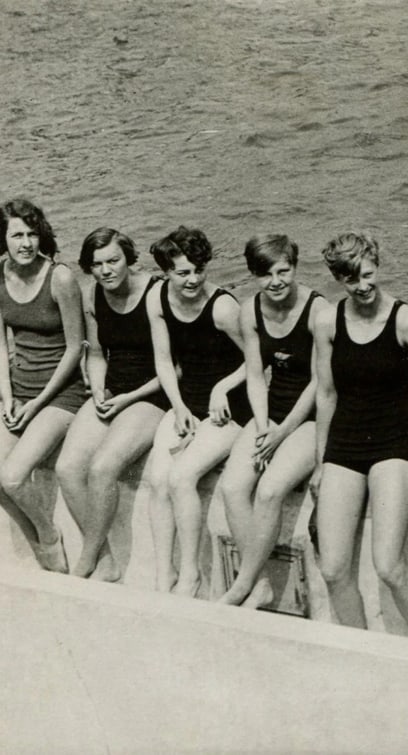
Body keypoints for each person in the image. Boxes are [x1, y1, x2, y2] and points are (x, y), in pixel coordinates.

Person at [312, 232, 408, 638]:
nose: (363, 286)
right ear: (339, 280)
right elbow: (326, 394)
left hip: (395, 444)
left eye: (368, 274)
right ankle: (362, 647)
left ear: (377, 266)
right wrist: (320, 464)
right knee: (332, 568)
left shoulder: (406, 319)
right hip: (344, 445)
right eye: (352, 280)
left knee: (389, 566)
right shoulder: (327, 322)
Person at [214, 235, 330, 608]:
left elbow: (320, 383)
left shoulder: (318, 310)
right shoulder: (249, 312)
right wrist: (263, 426)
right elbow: (254, 375)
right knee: (233, 488)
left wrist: (281, 433)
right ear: (253, 276)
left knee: (268, 490)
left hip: (311, 417)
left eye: (284, 271)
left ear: (295, 268)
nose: (277, 281)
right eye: (266, 275)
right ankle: (260, 584)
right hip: (273, 412)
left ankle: (242, 584)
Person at [55, 228, 168, 581]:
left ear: (129, 259)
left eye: (113, 261)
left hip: (151, 394)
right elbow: (97, 354)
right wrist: (101, 388)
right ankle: (104, 560)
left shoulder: (156, 292)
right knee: (67, 468)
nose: (106, 271)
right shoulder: (93, 296)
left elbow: (175, 366)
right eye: (97, 265)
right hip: (113, 389)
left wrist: (127, 399)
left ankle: (84, 562)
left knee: (103, 468)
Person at [145, 226, 250, 596]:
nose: (192, 280)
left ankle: (190, 575)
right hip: (187, 401)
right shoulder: (157, 298)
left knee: (180, 478)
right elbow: (162, 361)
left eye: (198, 270)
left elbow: (259, 360)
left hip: (230, 409)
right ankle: (163, 575)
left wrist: (223, 387)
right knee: (158, 480)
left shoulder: (222, 307)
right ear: (166, 272)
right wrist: (177, 407)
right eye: (182, 272)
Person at [0, 199, 85, 573]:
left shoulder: (61, 278)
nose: (26, 243)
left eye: (32, 233)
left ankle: (49, 536)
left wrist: (35, 405)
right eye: (17, 234)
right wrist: (6, 396)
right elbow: (0, 345)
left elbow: (74, 349)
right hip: (18, 391)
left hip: (61, 395)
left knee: (13, 476)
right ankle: (36, 538)